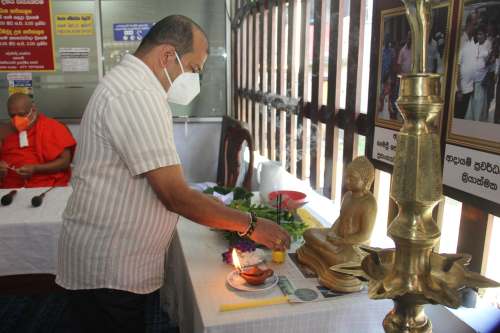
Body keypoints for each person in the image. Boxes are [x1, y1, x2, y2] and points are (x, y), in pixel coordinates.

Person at [56, 15, 291, 333]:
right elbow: (174, 195)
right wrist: (250, 225)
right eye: (194, 68)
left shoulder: (134, 87)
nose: (195, 78)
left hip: (110, 260)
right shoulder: (135, 95)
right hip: (109, 269)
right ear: (168, 55)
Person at [297, 156, 377, 292]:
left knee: (343, 263)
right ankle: (326, 249)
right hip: (336, 239)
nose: (347, 181)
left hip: (353, 246)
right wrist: (332, 233)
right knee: (308, 233)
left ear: (365, 181)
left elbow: (365, 234)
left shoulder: (369, 203)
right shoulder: (347, 196)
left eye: (352, 178)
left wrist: (344, 241)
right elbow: (341, 218)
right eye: (347, 177)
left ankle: (326, 251)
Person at [0, 93, 76, 188]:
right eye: (12, 116)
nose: (16, 119)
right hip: (10, 187)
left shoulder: (53, 127)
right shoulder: (4, 131)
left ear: (33, 110)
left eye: (21, 114)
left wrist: (36, 168)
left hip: (44, 186)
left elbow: (65, 162)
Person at [465, 25, 492, 121]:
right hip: (473, 80)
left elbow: (490, 62)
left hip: (482, 80)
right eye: (477, 34)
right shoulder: (476, 46)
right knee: (472, 104)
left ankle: (478, 123)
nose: (479, 36)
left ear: (485, 35)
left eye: (481, 34)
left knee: (480, 103)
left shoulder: (489, 45)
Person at [456, 14, 478, 119]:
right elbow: (457, 66)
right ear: (469, 24)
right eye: (474, 24)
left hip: (469, 88)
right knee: (458, 116)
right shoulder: (461, 41)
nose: (475, 27)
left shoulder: (472, 41)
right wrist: (459, 89)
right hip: (461, 89)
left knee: (463, 116)